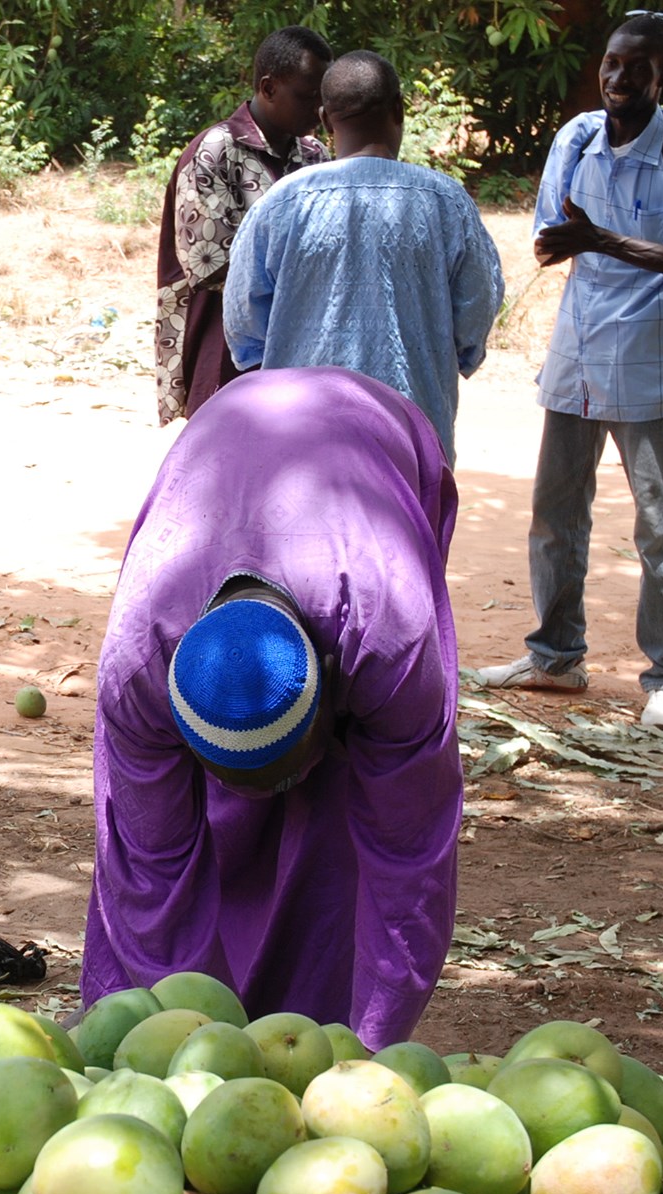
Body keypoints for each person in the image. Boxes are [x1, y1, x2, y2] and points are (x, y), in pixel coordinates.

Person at [82, 367, 462, 1049]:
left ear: (331, 683)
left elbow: (410, 856)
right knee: (197, 830)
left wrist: (372, 1048)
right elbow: (149, 868)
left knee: (337, 815)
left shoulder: (390, 639)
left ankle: (319, 999)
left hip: (376, 439)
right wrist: (187, 1042)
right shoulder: (139, 669)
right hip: (221, 443)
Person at [480, 13, 663, 730]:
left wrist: (599, 239)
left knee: (660, 525)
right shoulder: (577, 138)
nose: (618, 78)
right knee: (554, 514)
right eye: (611, 63)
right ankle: (555, 657)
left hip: (651, 355)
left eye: (637, 67)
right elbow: (550, 243)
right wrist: (574, 242)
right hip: (578, 347)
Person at [223, 51, 504, 463]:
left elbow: (244, 323)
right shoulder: (446, 203)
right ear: (399, 110)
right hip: (414, 431)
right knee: (410, 509)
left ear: (324, 120)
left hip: (302, 436)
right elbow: (477, 305)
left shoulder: (282, 204)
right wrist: (453, 354)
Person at [154, 25, 332, 427]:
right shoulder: (216, 151)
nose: (320, 110)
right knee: (230, 448)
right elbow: (209, 264)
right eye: (307, 97)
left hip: (303, 342)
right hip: (225, 345)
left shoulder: (314, 155)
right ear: (268, 88)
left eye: (324, 98)